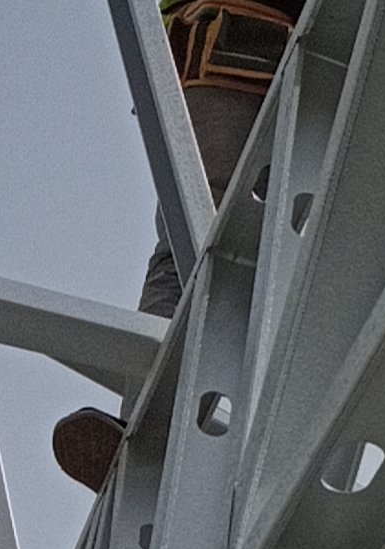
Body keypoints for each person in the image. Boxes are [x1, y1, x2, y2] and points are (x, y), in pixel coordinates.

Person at [53, 0, 299, 491]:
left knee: (190, 254)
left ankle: (147, 421)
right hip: (239, 62)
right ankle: (148, 421)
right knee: (196, 252)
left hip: (238, 67)